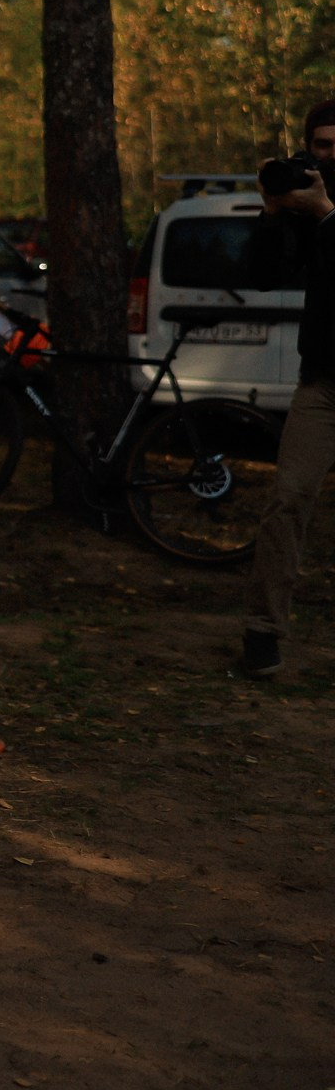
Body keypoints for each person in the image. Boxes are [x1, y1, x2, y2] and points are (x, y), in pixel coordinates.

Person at [244, 100, 335, 679]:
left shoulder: (324, 210)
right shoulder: (308, 206)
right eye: (322, 145)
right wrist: (274, 212)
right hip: (323, 383)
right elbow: (261, 276)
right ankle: (263, 632)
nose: (330, 155)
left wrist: (326, 212)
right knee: (288, 500)